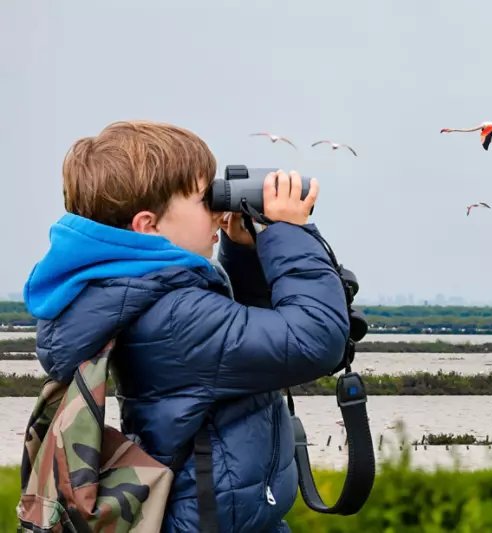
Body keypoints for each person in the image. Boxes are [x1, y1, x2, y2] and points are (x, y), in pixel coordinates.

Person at [22, 120, 350, 532]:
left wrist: (246, 256)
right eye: (203, 198)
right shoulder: (177, 316)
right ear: (148, 225)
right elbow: (314, 338)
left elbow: (243, 340)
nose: (217, 208)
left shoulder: (139, 297)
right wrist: (289, 233)